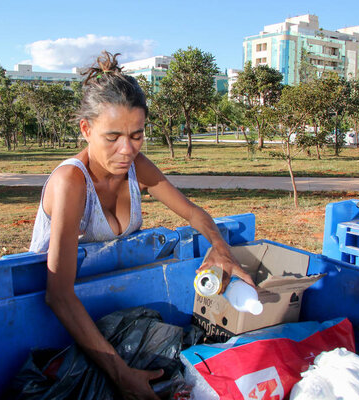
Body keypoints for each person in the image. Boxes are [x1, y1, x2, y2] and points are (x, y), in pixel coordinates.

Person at [30, 51, 255, 399]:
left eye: (136, 135)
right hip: (60, 322)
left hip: (111, 306)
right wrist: (121, 376)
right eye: (113, 136)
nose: (126, 150)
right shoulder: (71, 183)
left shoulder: (137, 167)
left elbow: (194, 214)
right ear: (86, 129)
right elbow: (58, 295)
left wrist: (220, 247)